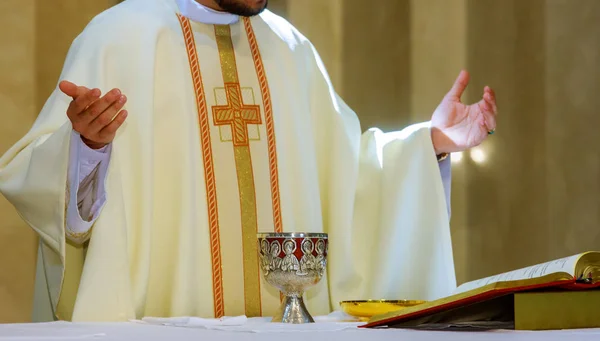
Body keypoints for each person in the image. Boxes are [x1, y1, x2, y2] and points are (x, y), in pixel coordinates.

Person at [0, 0, 498, 322]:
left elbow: (352, 177)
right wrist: (87, 149)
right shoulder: (118, 38)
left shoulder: (290, 49)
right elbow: (50, 202)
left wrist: (428, 144)